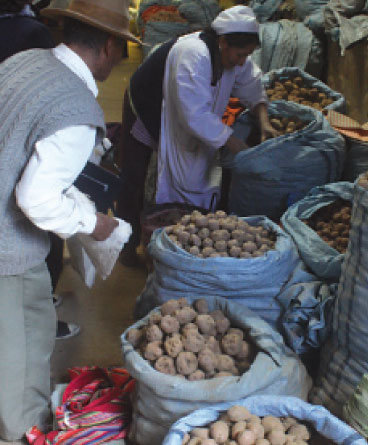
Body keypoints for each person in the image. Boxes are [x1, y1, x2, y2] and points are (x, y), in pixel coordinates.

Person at [0, 0, 139, 440]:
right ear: (111, 47)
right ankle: (23, 432)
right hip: (8, 252)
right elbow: (36, 198)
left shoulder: (26, 61)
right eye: (123, 50)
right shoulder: (76, 108)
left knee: (22, 334)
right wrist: (94, 222)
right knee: (20, 364)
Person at [116, 5, 278, 265]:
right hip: (148, 104)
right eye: (240, 54)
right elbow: (195, 115)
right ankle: (126, 244)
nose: (241, 61)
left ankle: (173, 236)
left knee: (188, 164)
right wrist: (235, 144)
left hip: (180, 111)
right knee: (136, 173)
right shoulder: (193, 54)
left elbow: (251, 84)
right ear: (223, 42)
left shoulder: (232, 54)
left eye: (246, 55)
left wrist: (264, 121)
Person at [0, 0, 81, 340]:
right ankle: (41, 317)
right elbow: (36, 198)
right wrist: (91, 222)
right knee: (37, 238)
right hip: (24, 149)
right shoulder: (32, 34)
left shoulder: (26, 33)